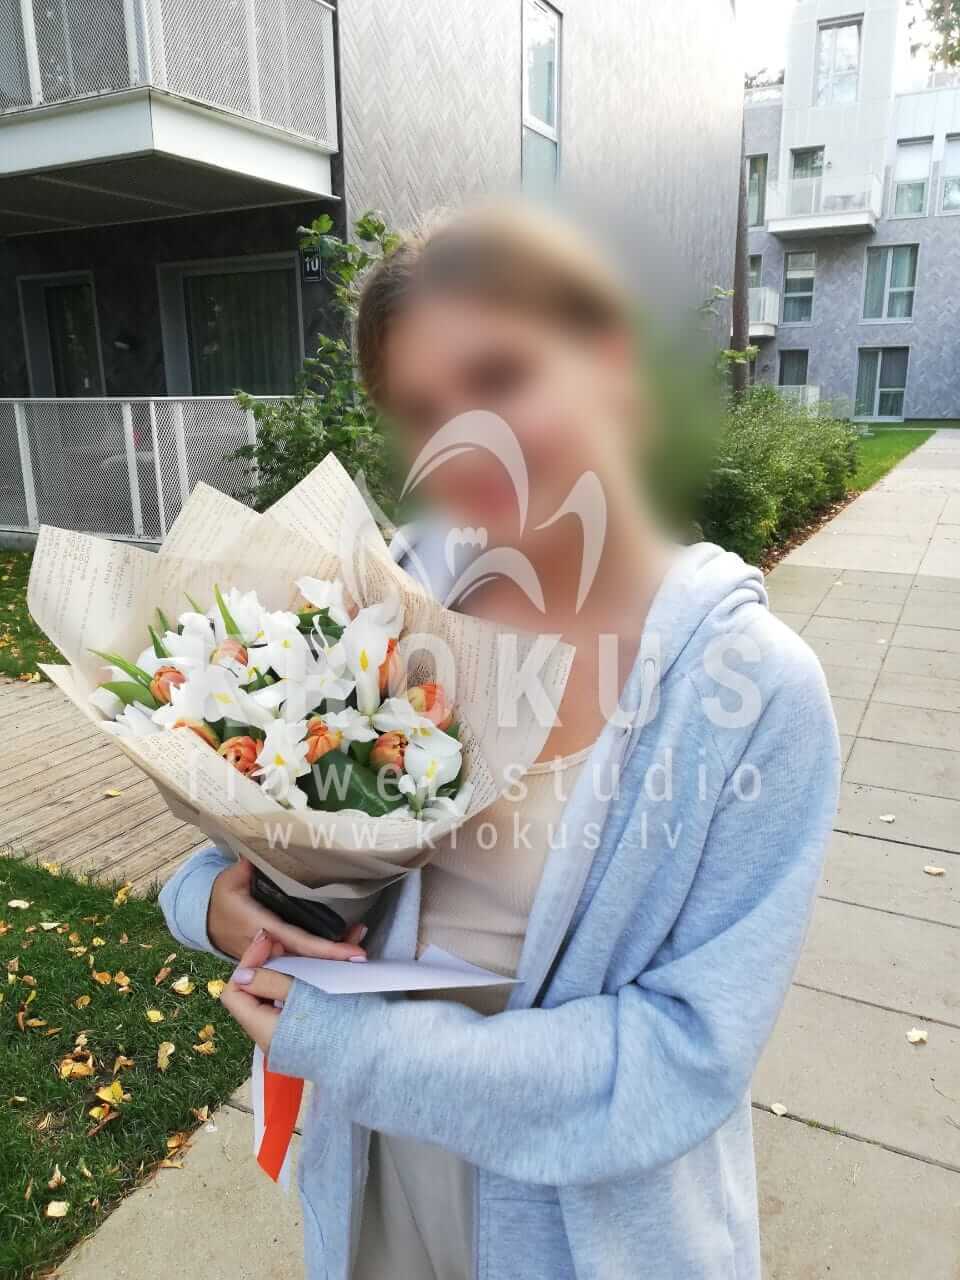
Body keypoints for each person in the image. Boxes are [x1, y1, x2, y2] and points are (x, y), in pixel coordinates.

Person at [160, 204, 840, 1280]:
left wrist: (358, 1048)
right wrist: (209, 902)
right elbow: (265, 827)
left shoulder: (751, 691)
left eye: (501, 376)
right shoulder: (390, 601)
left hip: (586, 1236)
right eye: (424, 410)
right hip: (379, 1187)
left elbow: (683, 1054)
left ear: (608, 360)